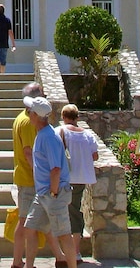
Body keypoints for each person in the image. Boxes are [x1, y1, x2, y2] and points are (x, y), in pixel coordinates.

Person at [11, 83, 66, 268]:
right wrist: (42, 179)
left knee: (40, 223)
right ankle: (19, 262)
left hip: (31, 180)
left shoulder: (23, 118)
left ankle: (60, 257)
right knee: (27, 223)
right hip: (29, 180)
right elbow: (29, 153)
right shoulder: (28, 121)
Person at [23, 96, 77, 268]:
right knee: (30, 228)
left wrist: (53, 193)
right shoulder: (43, 135)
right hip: (44, 193)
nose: (27, 113)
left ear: (35, 115)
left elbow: (56, 169)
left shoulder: (49, 137)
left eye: (29, 111)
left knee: (64, 234)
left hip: (53, 193)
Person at [54, 104, 99, 263]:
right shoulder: (87, 134)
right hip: (81, 179)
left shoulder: (59, 131)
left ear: (63, 117)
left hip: (65, 178)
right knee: (75, 212)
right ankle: (75, 249)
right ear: (77, 117)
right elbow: (95, 156)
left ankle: (70, 252)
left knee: (65, 213)